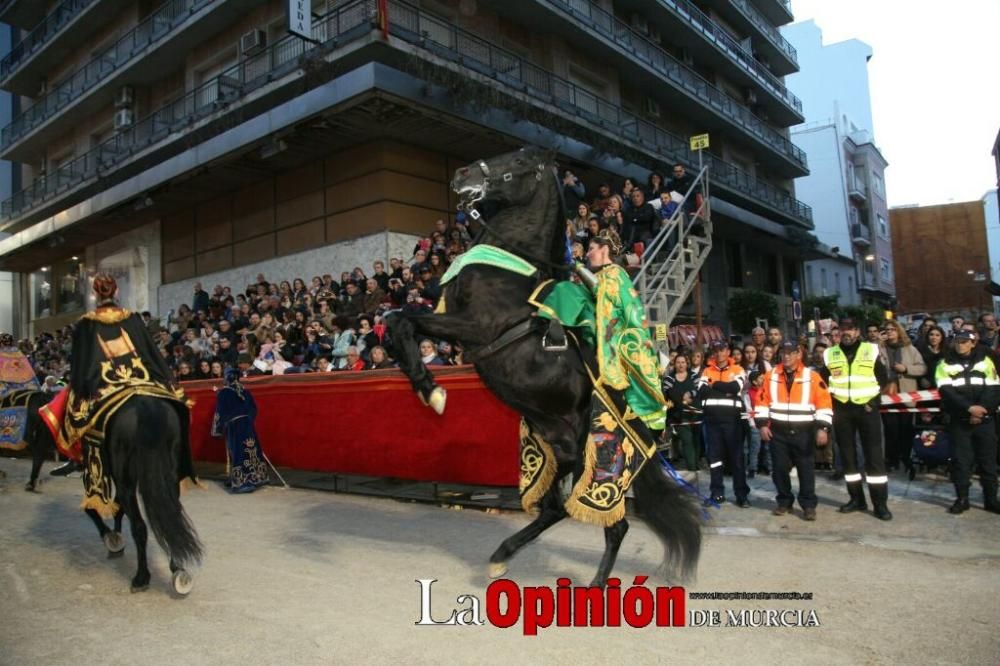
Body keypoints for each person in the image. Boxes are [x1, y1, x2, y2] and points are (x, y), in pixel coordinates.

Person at [40, 274, 194, 515]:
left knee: (81, 422)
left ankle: (94, 481)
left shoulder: (85, 323)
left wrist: (83, 387)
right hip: (140, 377)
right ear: (117, 292)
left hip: (104, 382)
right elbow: (149, 351)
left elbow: (81, 363)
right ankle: (182, 466)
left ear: (95, 294)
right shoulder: (132, 319)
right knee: (178, 406)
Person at [562, 229, 668, 525]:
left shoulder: (615, 274)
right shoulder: (606, 275)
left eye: (592, 249)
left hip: (619, 346)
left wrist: (576, 266)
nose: (590, 253)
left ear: (604, 249)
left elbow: (617, 304)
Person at [823, 317, 892, 520]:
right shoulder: (830, 353)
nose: (847, 333)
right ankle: (857, 499)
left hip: (866, 409)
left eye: (851, 329)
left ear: (857, 331)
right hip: (842, 410)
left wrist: (874, 402)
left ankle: (880, 504)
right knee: (848, 458)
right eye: (843, 329)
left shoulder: (870, 350)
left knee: (874, 459)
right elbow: (823, 381)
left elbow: (883, 378)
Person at [756, 341, 833, 521]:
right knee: (779, 469)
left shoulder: (812, 376)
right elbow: (761, 401)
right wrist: (762, 424)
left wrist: (823, 428)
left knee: (806, 470)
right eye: (784, 353)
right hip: (778, 431)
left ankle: (808, 505)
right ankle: (784, 502)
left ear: (799, 354)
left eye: (791, 353)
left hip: (804, 431)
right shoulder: (771, 375)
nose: (787, 356)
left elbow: (824, 403)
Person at [935, 330, 1000, 514]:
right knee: (961, 462)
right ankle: (962, 499)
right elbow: (947, 392)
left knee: (988, 462)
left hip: (985, 420)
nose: (960, 345)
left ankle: (991, 500)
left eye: (964, 341)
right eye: (957, 341)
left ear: (973, 343)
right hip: (960, 421)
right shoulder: (944, 364)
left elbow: (994, 389)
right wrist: (969, 409)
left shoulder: (986, 362)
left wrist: (981, 410)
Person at [696, 339, 749, 507]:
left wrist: (715, 385)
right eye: (717, 350)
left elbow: (735, 388)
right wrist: (723, 389)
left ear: (728, 352)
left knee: (737, 460)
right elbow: (701, 391)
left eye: (723, 350)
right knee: (715, 459)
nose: (720, 353)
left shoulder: (738, 369)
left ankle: (741, 495)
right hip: (712, 423)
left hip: (733, 422)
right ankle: (716, 493)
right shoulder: (706, 371)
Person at [211, 368, 270, 493]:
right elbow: (254, 409)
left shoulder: (223, 393)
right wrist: (248, 420)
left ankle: (241, 482)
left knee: (237, 451)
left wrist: (218, 430)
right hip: (247, 424)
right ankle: (257, 478)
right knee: (251, 450)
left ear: (227, 378)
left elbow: (220, 412)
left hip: (234, 426)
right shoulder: (245, 391)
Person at [878, 320, 926, 471]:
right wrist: (877, 344)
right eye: (887, 330)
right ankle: (891, 460)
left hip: (906, 394)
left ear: (899, 331)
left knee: (906, 429)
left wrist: (905, 368)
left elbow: (922, 368)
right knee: (890, 429)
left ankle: (905, 458)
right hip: (887, 394)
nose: (890, 332)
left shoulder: (910, 349)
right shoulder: (878, 349)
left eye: (893, 329)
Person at [662, 353, 698, 472]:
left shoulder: (693, 376)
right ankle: (691, 467)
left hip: (694, 413)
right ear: (674, 364)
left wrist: (691, 395)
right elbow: (667, 394)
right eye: (678, 362)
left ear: (687, 363)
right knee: (686, 439)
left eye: (683, 362)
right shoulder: (669, 378)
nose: (681, 365)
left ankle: (695, 464)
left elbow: (699, 390)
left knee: (695, 441)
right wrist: (682, 400)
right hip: (676, 414)